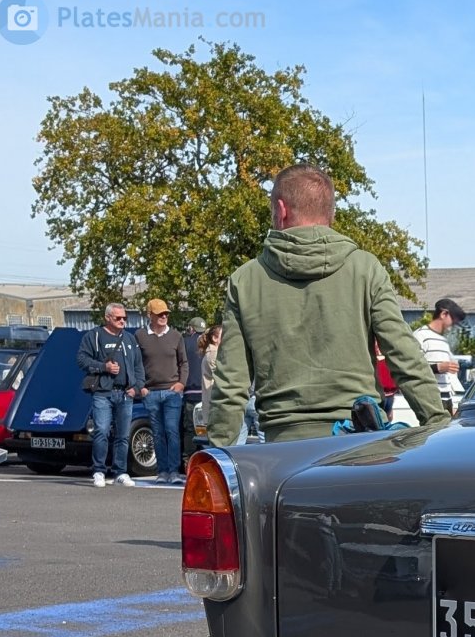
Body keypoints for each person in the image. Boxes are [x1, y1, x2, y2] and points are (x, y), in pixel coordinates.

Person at [209, 164, 446, 444]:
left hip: (283, 448)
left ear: (281, 210)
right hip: (359, 445)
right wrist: (438, 423)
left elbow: (231, 383)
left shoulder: (245, 280)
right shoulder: (365, 269)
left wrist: (219, 451)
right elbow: (404, 355)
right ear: (331, 213)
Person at [76, 302, 145, 488]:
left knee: (123, 435)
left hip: (125, 393)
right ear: (108, 318)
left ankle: (120, 472)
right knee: (101, 432)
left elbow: (139, 365)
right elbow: (81, 359)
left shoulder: (130, 339)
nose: (122, 321)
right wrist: (103, 367)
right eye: (118, 318)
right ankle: (99, 470)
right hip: (103, 393)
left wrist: (137, 387)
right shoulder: (94, 336)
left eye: (124, 318)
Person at [136, 298, 188, 484]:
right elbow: (136, 364)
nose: (164, 316)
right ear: (150, 315)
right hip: (150, 392)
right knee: (157, 433)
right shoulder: (140, 336)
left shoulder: (176, 336)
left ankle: (174, 471)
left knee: (172, 431)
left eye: (166, 313)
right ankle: (162, 471)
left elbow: (184, 362)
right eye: (160, 314)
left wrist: (181, 383)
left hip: (172, 391)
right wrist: (141, 387)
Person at [413, 298, 466, 415]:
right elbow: (412, 368)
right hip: (430, 398)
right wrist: (438, 368)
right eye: (453, 320)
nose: (453, 325)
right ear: (443, 314)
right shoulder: (420, 336)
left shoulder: (443, 341)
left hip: (447, 398)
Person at [180, 316, 207, 467]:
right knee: (207, 428)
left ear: (191, 328)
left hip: (190, 392)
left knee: (190, 429)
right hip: (208, 393)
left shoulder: (185, 343)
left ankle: (188, 461)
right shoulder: (211, 343)